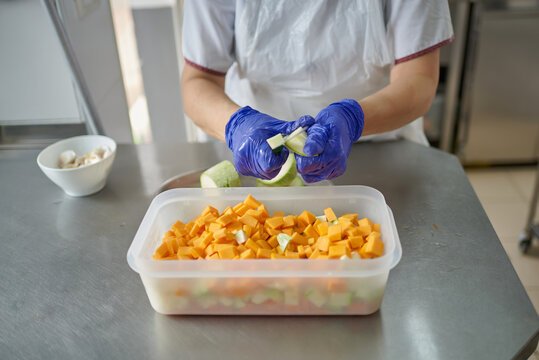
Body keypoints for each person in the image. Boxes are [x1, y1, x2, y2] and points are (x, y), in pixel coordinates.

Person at [181, 1, 454, 183]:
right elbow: (198, 80)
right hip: (257, 157)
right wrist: (236, 126)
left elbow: (418, 78)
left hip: (383, 146)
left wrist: (353, 118)